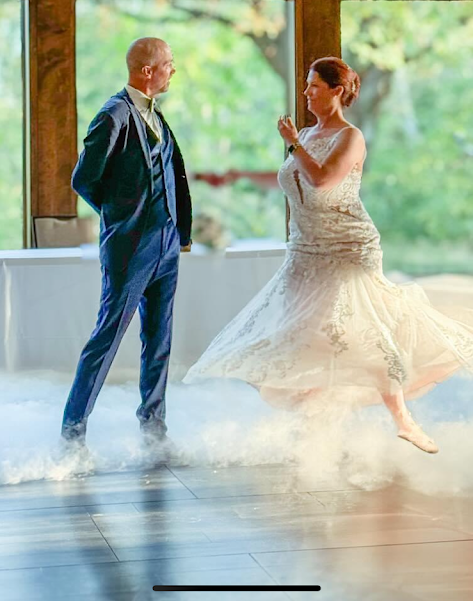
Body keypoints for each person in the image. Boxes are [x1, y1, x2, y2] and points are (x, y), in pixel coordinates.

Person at [185, 56, 473, 454]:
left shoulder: (350, 137)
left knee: (363, 333)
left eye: (314, 86)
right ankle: (318, 425)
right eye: (306, 85)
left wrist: (293, 142)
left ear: (336, 91)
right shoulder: (306, 133)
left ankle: (403, 419)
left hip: (347, 250)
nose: (306, 93)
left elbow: (321, 180)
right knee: (301, 335)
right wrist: (240, 176)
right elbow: (293, 174)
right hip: (305, 249)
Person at [61, 37, 192, 448]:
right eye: (169, 63)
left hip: (166, 244)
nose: (173, 69)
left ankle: (154, 431)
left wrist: (178, 231)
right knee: (107, 338)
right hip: (131, 248)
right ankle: (72, 434)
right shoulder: (113, 114)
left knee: (159, 341)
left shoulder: (155, 112)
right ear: (148, 70)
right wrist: (122, 216)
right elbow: (84, 179)